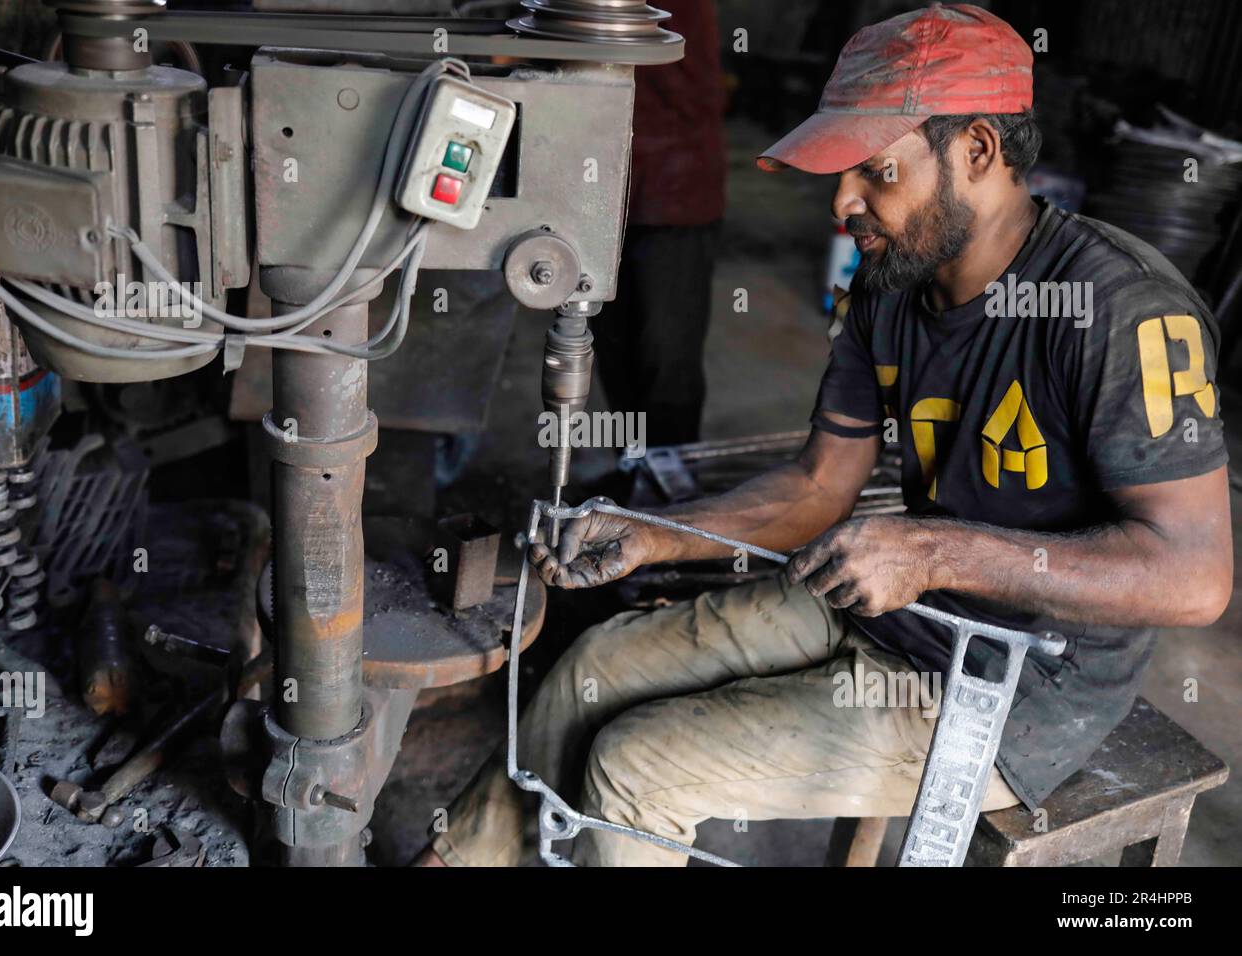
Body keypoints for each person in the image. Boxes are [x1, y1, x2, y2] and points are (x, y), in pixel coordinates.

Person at [415, 3, 1232, 867]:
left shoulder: (1122, 311)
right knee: (590, 671)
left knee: (639, 763)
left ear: (979, 151)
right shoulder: (886, 285)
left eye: (875, 171)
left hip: (1022, 682)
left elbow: (1194, 578)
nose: (845, 201)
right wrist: (654, 538)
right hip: (890, 608)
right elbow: (817, 489)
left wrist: (932, 554)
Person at [588, 0, 726, 448]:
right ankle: (634, 473)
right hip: (607, 192)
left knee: (666, 359)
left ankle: (671, 494)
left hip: (674, 194)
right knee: (611, 347)